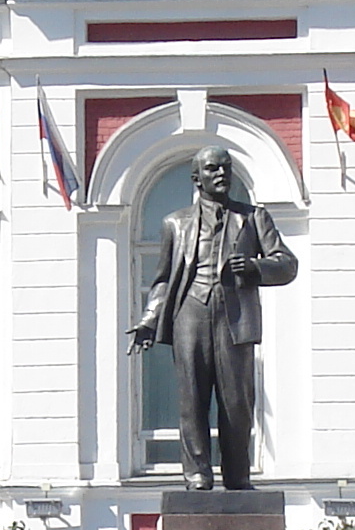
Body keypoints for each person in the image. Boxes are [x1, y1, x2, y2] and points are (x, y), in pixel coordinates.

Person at [126, 143, 298, 492]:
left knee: (236, 401)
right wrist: (148, 318)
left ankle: (237, 476)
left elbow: (287, 264)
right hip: (190, 312)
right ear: (197, 178)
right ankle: (197, 475)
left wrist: (254, 267)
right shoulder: (175, 223)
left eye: (226, 168)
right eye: (212, 169)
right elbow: (163, 279)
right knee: (192, 398)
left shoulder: (252, 218)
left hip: (235, 317)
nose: (221, 174)